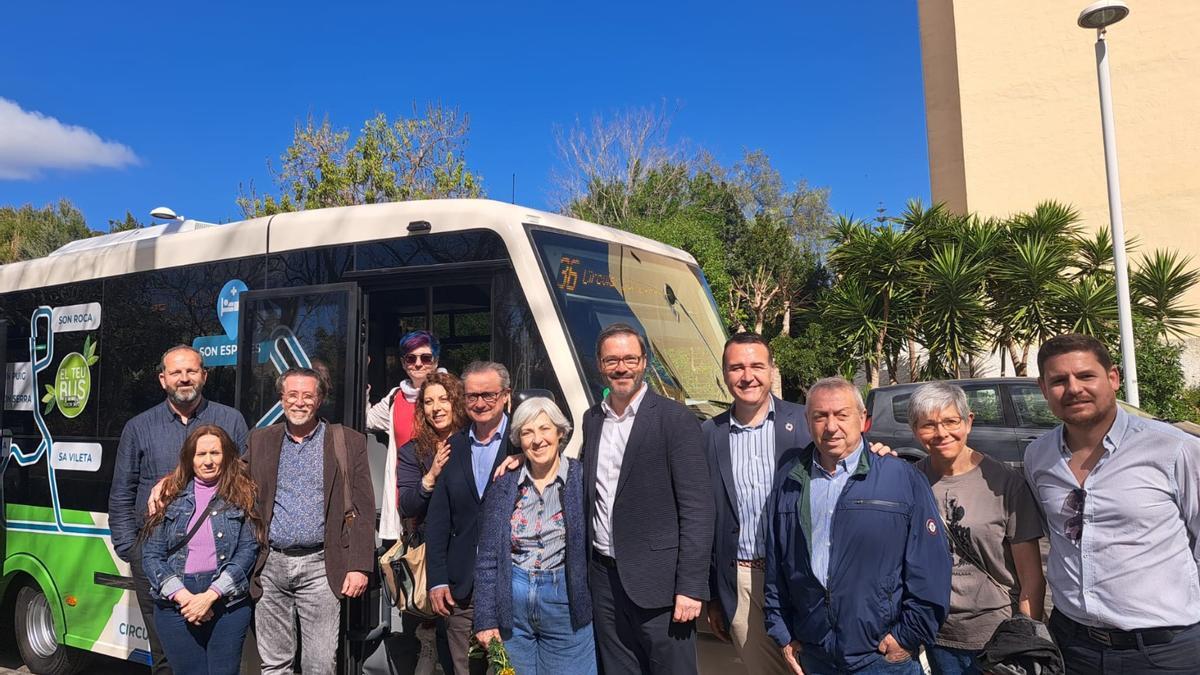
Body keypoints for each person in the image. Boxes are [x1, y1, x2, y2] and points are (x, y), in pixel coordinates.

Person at [1025, 334, 1200, 674]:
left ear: (1113, 378)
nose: (1073, 388)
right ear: (1044, 390)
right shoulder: (1038, 456)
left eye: (1085, 375)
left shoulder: (1173, 449)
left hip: (1164, 652)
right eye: (1059, 381)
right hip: (1073, 646)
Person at [764, 376, 950, 675]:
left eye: (841, 414)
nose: (831, 426)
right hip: (815, 653)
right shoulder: (790, 481)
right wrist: (783, 632)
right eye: (820, 416)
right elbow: (778, 567)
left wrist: (907, 636)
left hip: (882, 656)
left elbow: (930, 568)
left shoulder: (900, 478)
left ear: (863, 419)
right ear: (808, 421)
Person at [109, 345, 249, 674]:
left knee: (218, 664)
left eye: (191, 371)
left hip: (220, 565)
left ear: (204, 375)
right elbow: (121, 494)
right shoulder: (139, 427)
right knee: (166, 660)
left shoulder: (231, 420)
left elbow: (245, 482)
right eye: (175, 372)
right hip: (154, 562)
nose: (184, 378)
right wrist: (133, 551)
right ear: (162, 379)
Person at [584, 323, 714, 674]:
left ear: (644, 362)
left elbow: (698, 510)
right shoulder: (592, 420)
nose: (621, 367)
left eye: (630, 358)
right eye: (612, 360)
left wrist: (690, 587)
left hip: (662, 589)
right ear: (600, 364)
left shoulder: (675, 420)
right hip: (605, 583)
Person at [244, 367, 376, 675]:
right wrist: (171, 483)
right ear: (281, 399)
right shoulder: (260, 440)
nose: (299, 402)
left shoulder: (347, 442)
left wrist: (359, 565)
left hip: (322, 565)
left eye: (307, 396)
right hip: (270, 565)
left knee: (319, 665)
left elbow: (364, 508)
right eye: (292, 395)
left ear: (319, 400)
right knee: (275, 664)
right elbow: (230, 485)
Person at [907, 382, 1045, 675]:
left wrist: (1024, 638)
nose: (941, 433)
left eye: (950, 421)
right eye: (929, 425)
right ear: (914, 430)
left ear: (968, 422)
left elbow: (1031, 576)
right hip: (938, 635)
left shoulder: (1005, 483)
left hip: (997, 636)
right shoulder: (908, 481)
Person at [703, 332, 811, 674]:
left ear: (771, 369)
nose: (747, 376)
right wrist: (714, 596)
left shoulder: (807, 422)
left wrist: (880, 452)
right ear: (724, 374)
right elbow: (703, 516)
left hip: (801, 576)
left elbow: (850, 453)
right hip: (742, 581)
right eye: (736, 367)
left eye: (756, 366)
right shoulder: (708, 434)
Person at [473, 397, 596, 674]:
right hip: (512, 606)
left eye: (545, 429)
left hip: (566, 604)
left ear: (560, 433)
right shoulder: (505, 485)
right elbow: (488, 558)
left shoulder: (582, 479)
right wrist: (485, 619)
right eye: (527, 432)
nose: (537, 440)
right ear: (519, 439)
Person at [141, 425, 262, 675]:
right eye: (201, 454)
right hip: (176, 604)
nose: (208, 461)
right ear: (190, 458)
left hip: (227, 604)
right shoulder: (168, 495)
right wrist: (186, 599)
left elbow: (248, 551)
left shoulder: (243, 494)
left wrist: (209, 596)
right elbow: (151, 556)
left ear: (227, 456)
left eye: (215, 453)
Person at [424, 361, 517, 675]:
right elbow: (438, 521)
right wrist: (436, 580)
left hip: (511, 585)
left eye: (489, 395)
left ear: (506, 395)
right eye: (471, 396)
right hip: (461, 591)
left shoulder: (523, 443)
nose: (479, 403)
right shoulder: (455, 446)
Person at [385, 371, 468, 675]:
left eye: (444, 399)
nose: (437, 407)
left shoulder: (475, 440)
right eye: (429, 402)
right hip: (434, 556)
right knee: (443, 639)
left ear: (456, 401)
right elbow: (407, 504)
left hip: (471, 553)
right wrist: (430, 476)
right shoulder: (412, 451)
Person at [367, 330, 443, 545]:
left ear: (435, 361)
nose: (418, 364)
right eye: (411, 358)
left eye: (426, 358)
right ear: (403, 363)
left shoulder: (452, 393)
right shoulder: (395, 397)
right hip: (410, 496)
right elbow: (366, 420)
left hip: (443, 493)